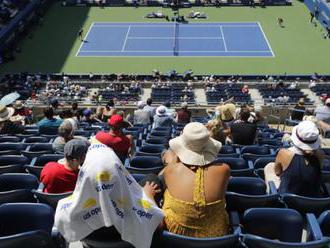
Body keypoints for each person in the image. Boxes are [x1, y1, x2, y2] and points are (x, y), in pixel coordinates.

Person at [54, 142, 164, 248]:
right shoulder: (139, 213)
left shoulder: (67, 214)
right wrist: (148, 196)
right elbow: (158, 225)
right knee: (152, 178)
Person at [161, 122, 230, 237]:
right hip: (216, 236)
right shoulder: (224, 170)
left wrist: (173, 162)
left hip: (177, 236)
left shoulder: (170, 171)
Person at [265, 121, 323, 197]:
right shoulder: (321, 155)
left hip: (287, 200)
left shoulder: (284, 153)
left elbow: (277, 172)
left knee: (269, 166)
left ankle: (269, 196)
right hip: (313, 201)